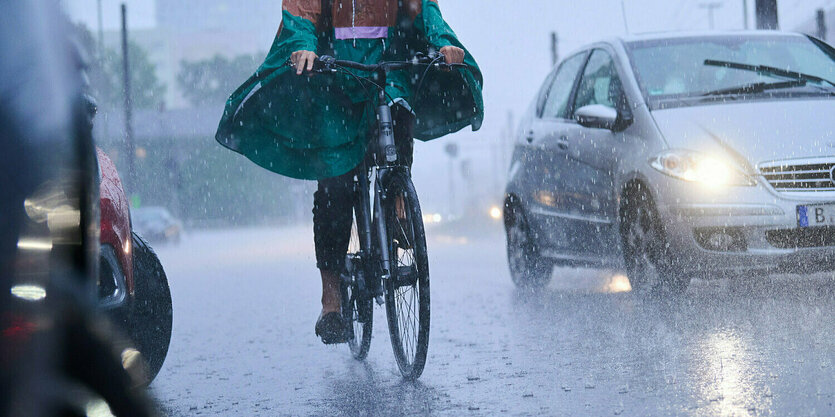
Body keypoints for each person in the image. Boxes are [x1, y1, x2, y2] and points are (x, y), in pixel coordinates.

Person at [215, 0, 483, 344]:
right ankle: (332, 299)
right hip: (335, 74)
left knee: (400, 115)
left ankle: (398, 201)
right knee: (335, 188)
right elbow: (302, 12)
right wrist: (302, 47)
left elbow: (423, 8)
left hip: (389, 66)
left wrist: (443, 41)